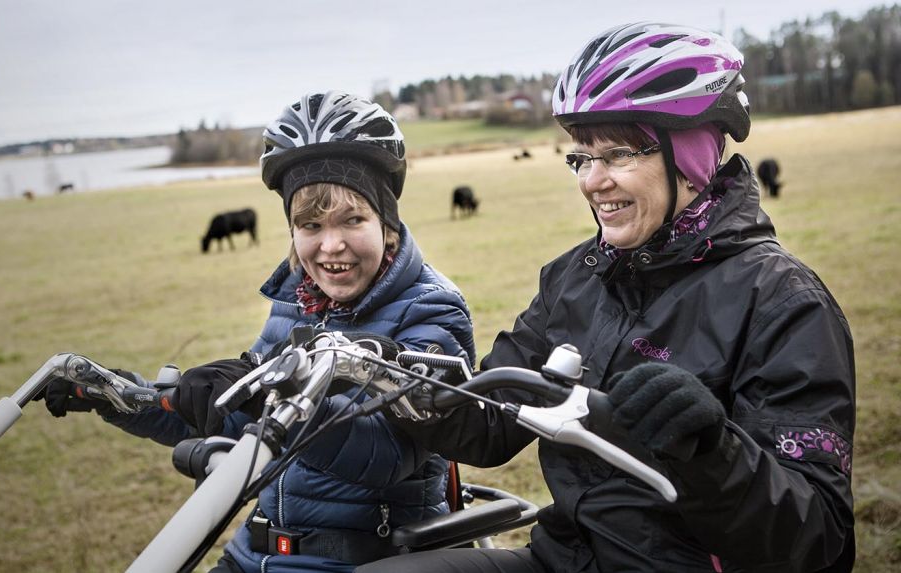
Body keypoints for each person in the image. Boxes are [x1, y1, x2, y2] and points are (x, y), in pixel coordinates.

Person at [358, 22, 855, 573]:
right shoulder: (574, 277)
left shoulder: (783, 302)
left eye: (618, 154)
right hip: (563, 558)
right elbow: (486, 427)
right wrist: (388, 374)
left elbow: (817, 539)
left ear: (689, 156)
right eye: (580, 158)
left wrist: (712, 451)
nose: (592, 182)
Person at [36, 90, 476, 573]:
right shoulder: (298, 300)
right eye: (309, 224)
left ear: (386, 219)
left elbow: (389, 454)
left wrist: (269, 390)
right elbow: (231, 417)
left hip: (363, 561)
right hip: (254, 553)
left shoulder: (431, 309)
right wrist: (121, 396)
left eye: (352, 219)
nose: (331, 245)